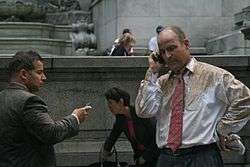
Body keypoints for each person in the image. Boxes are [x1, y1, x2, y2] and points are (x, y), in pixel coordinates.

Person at [135, 26, 250, 167]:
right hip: (167, 158)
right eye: (163, 52)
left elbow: (245, 100)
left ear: (186, 44)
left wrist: (222, 129)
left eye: (172, 48)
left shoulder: (213, 75)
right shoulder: (160, 82)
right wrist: (152, 72)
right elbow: (143, 111)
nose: (168, 56)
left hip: (202, 157)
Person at [0, 50, 92, 167]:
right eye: (39, 72)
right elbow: (51, 133)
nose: (44, 77)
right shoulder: (29, 101)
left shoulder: (2, 96)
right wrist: (75, 118)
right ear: (23, 74)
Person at [101, 87, 159, 167]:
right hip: (139, 157)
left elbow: (157, 137)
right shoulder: (120, 119)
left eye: (111, 103)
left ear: (121, 102)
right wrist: (105, 151)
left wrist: (146, 157)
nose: (109, 106)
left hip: (155, 157)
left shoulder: (141, 114)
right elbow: (113, 135)